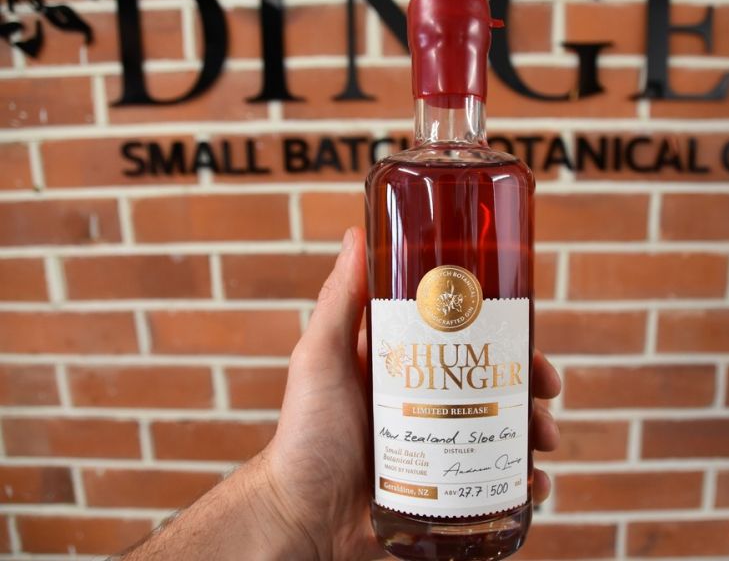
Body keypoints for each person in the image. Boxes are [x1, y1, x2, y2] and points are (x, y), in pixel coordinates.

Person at [117, 227, 561, 560]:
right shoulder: (398, 178)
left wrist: (282, 507)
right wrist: (281, 503)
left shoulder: (501, 177)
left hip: (491, 508)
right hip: (402, 507)